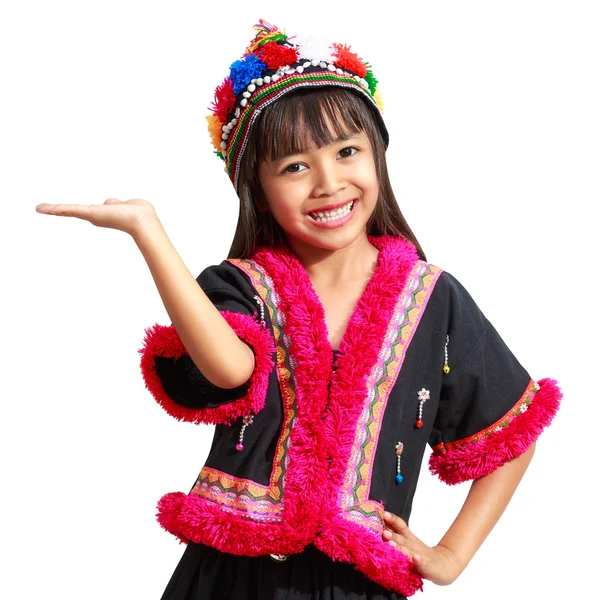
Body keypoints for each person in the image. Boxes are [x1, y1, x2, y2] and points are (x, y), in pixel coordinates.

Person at [35, 18, 562, 600]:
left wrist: (450, 555)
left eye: (347, 151)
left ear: (377, 157)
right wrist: (148, 232)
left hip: (356, 583)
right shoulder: (242, 288)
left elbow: (512, 430)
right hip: (229, 577)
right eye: (294, 166)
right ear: (256, 187)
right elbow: (230, 370)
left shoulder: (430, 299)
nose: (329, 183)